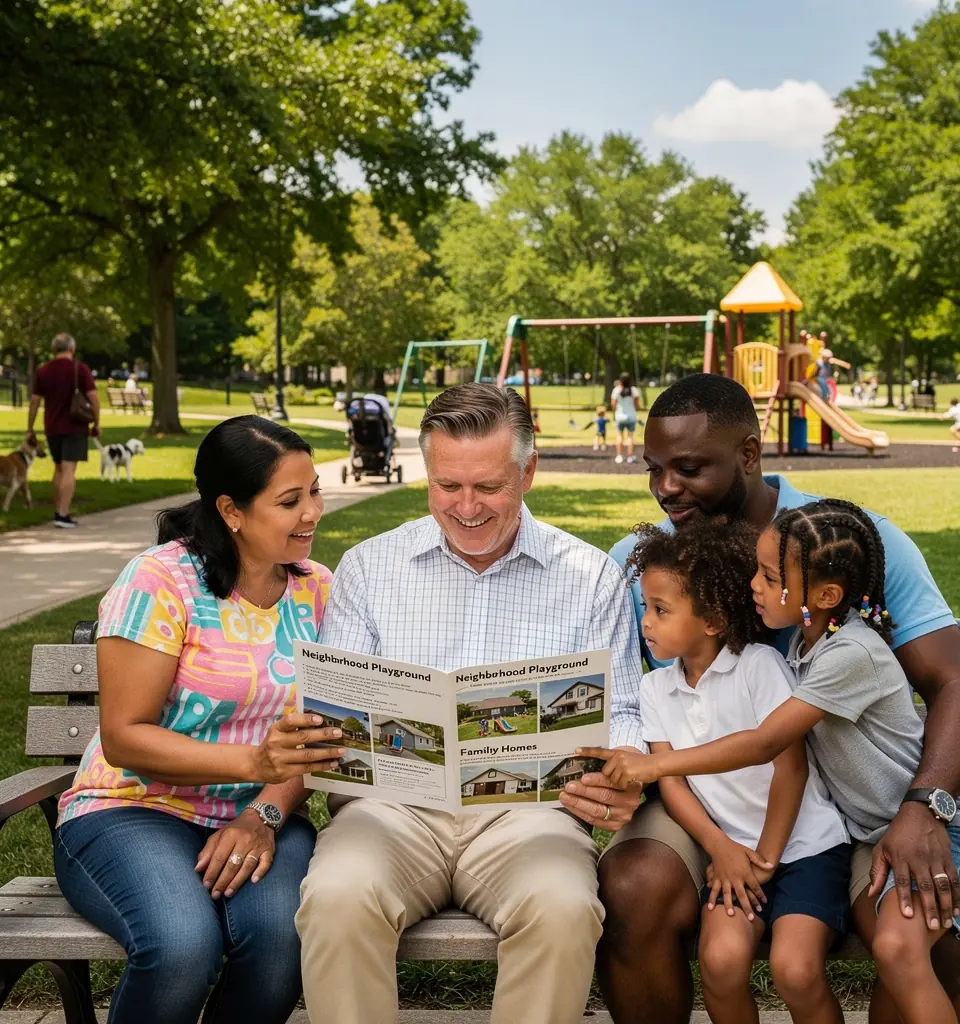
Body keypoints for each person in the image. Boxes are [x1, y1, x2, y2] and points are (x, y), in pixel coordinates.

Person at [572, 375, 960, 1024]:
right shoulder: (641, 561)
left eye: (688, 469)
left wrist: (924, 807)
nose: (665, 489)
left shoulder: (846, 545)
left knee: (919, 921)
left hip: (851, 809)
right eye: (655, 470)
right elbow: (619, 695)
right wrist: (629, 763)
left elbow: (955, 683)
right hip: (704, 796)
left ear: (749, 453)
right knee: (632, 887)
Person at [296, 382, 643, 1024]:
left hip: (529, 815)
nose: (466, 507)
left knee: (564, 905)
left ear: (528, 471)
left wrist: (624, 767)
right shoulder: (371, 567)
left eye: (487, 487)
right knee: (337, 896)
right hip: (392, 812)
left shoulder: (589, 574)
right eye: (446, 486)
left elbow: (621, 711)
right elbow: (334, 704)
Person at [53, 416, 345, 1024]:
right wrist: (252, 761)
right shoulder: (161, 581)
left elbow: (320, 740)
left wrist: (263, 811)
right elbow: (125, 736)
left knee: (280, 942)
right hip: (131, 809)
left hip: (262, 814)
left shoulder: (318, 590)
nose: (312, 513)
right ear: (231, 511)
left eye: (315, 490)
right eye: (289, 501)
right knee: (183, 945)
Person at [600, 518, 851, 1024]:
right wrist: (721, 850)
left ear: (713, 619)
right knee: (720, 961)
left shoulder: (758, 666)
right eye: (645, 607)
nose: (645, 622)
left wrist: (766, 858)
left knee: (796, 969)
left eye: (660, 610)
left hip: (805, 848)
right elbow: (671, 783)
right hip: (731, 854)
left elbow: (791, 768)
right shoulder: (654, 690)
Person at [26, 332, 100, 528]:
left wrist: (30, 427)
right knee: (68, 470)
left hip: (52, 427)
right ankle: (63, 514)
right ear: (72, 348)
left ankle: (58, 510)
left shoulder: (44, 371)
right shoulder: (80, 369)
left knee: (58, 468)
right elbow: (93, 398)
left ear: (53, 349)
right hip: (75, 426)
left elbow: (34, 401)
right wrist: (97, 423)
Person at [610, 372, 642, 464]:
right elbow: (637, 405)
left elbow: (613, 404)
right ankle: (630, 456)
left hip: (619, 416)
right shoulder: (634, 390)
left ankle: (619, 456)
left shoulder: (616, 390)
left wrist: (615, 412)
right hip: (631, 416)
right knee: (630, 437)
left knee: (619, 436)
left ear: (620, 381)